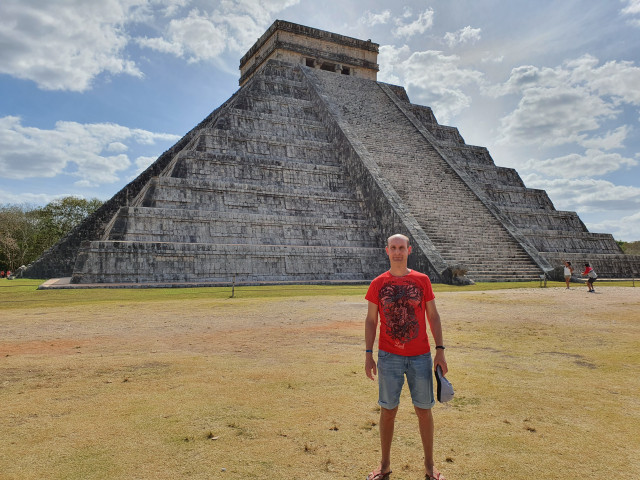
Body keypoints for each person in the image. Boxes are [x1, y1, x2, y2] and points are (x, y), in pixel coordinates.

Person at [365, 234, 448, 480]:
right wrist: (369, 354)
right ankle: (385, 464)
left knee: (424, 410)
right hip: (389, 356)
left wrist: (440, 349)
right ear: (387, 251)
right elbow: (371, 320)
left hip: (420, 356)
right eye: (394, 248)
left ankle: (429, 466)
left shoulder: (422, 280)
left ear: (409, 250)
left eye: (402, 247)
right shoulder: (378, 283)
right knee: (388, 410)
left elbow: (433, 316)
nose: (398, 252)